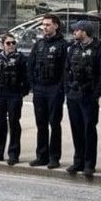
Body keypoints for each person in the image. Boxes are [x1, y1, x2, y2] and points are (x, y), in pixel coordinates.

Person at [64, 21, 101, 177]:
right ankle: (78, 161)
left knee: (88, 130)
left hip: (88, 96)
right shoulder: (72, 48)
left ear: (84, 32)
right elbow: (66, 70)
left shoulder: (100, 50)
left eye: (76, 30)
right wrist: (67, 90)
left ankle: (89, 163)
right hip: (73, 95)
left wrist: (95, 95)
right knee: (76, 129)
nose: (74, 33)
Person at [28, 14, 69, 168]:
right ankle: (42, 156)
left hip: (54, 89)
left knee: (54, 123)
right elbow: (30, 66)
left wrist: (60, 88)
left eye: (48, 25)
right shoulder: (39, 44)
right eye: (43, 25)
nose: (45, 27)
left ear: (56, 26)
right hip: (39, 89)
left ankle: (54, 157)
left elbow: (66, 69)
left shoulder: (63, 45)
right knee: (41, 124)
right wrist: (33, 85)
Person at [0, 33, 31, 165]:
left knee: (14, 123)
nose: (11, 45)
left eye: (13, 43)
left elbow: (27, 76)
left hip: (14, 94)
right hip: (0, 94)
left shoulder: (21, 58)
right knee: (0, 123)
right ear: (2, 44)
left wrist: (22, 92)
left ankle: (13, 154)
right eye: (8, 43)